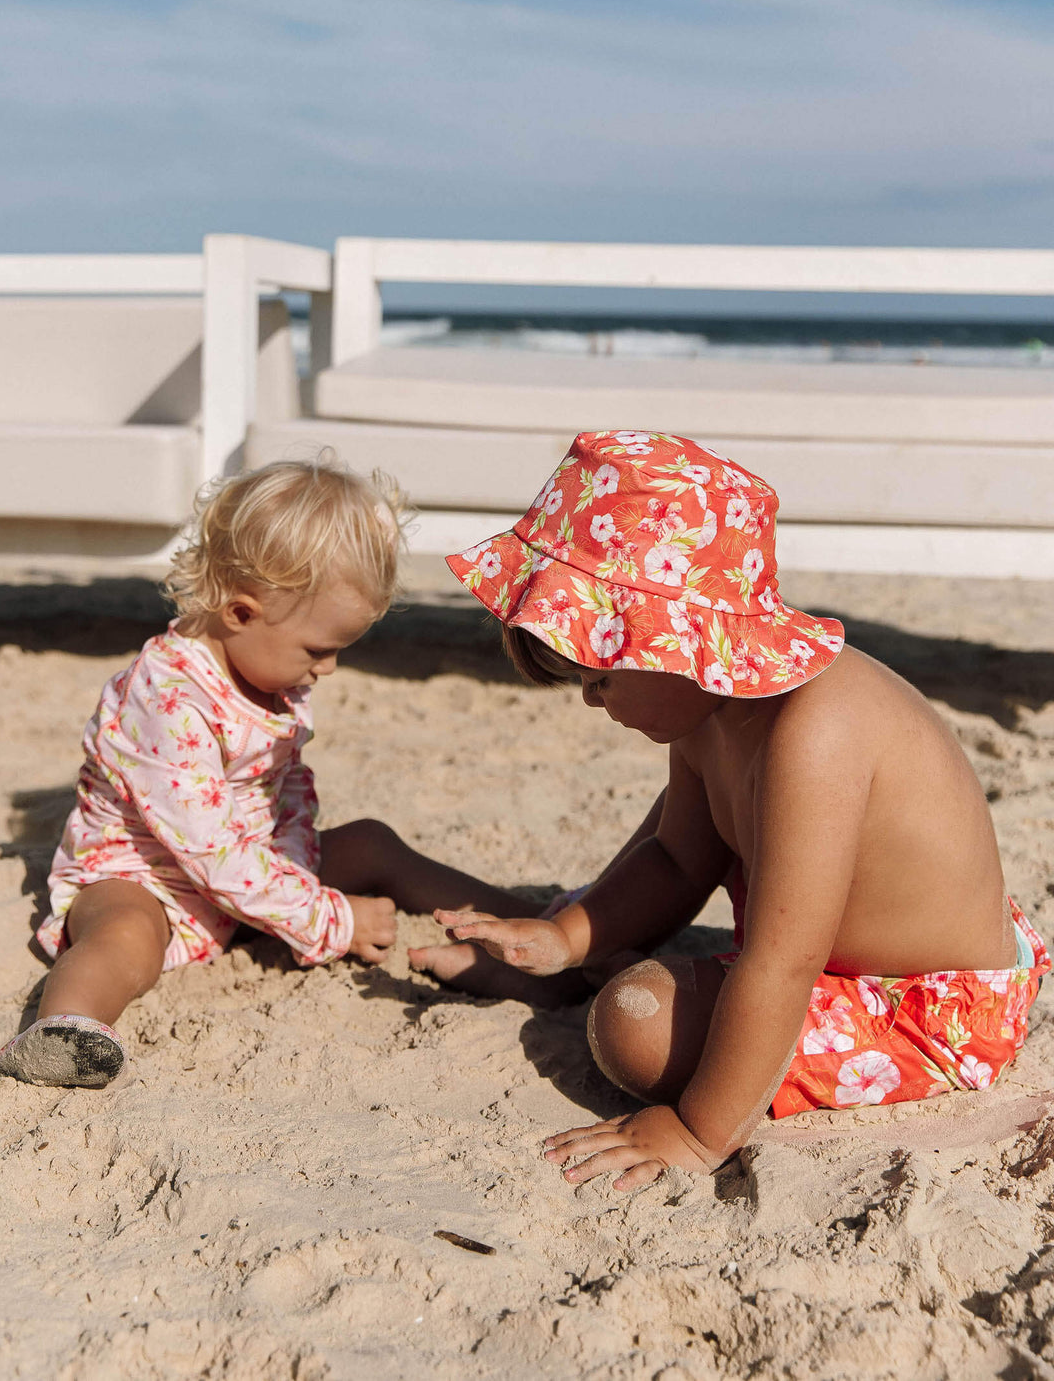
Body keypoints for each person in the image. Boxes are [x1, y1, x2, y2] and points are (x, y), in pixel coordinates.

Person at [423, 430, 1049, 1192]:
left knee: (637, 1022)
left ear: (676, 639)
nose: (590, 697)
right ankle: (572, 967)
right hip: (820, 964)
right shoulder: (711, 711)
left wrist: (696, 1131)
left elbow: (786, 962)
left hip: (927, 1006)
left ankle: (609, 994)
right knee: (629, 959)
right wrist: (566, 935)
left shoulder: (818, 731)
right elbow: (677, 860)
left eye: (599, 670)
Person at [0, 458, 535, 1089]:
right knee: (124, 935)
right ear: (241, 613)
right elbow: (211, 853)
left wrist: (300, 866)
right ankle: (66, 1030)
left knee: (373, 842)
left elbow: (287, 783)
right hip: (151, 877)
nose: (328, 669)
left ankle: (529, 925)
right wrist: (332, 918)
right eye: (319, 649)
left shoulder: (266, 669)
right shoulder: (166, 699)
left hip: (258, 868)